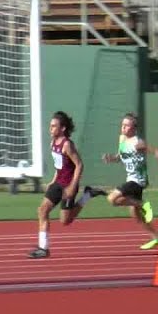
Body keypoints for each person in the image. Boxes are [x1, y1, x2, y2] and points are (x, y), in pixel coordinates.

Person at [93, 113, 158, 250]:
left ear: (134, 128)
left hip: (138, 181)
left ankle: (144, 204)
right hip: (130, 179)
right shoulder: (122, 139)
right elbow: (120, 157)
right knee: (135, 215)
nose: (123, 128)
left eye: (126, 125)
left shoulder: (138, 143)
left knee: (112, 199)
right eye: (122, 125)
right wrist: (111, 158)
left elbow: (157, 151)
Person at [29, 111, 101, 259]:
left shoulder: (67, 145)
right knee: (42, 210)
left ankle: (87, 195)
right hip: (58, 183)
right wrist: (52, 181)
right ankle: (43, 248)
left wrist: (72, 186)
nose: (51, 129)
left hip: (68, 184)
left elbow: (79, 165)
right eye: (50, 126)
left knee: (65, 221)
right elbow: (59, 166)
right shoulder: (52, 143)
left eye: (54, 126)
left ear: (62, 128)